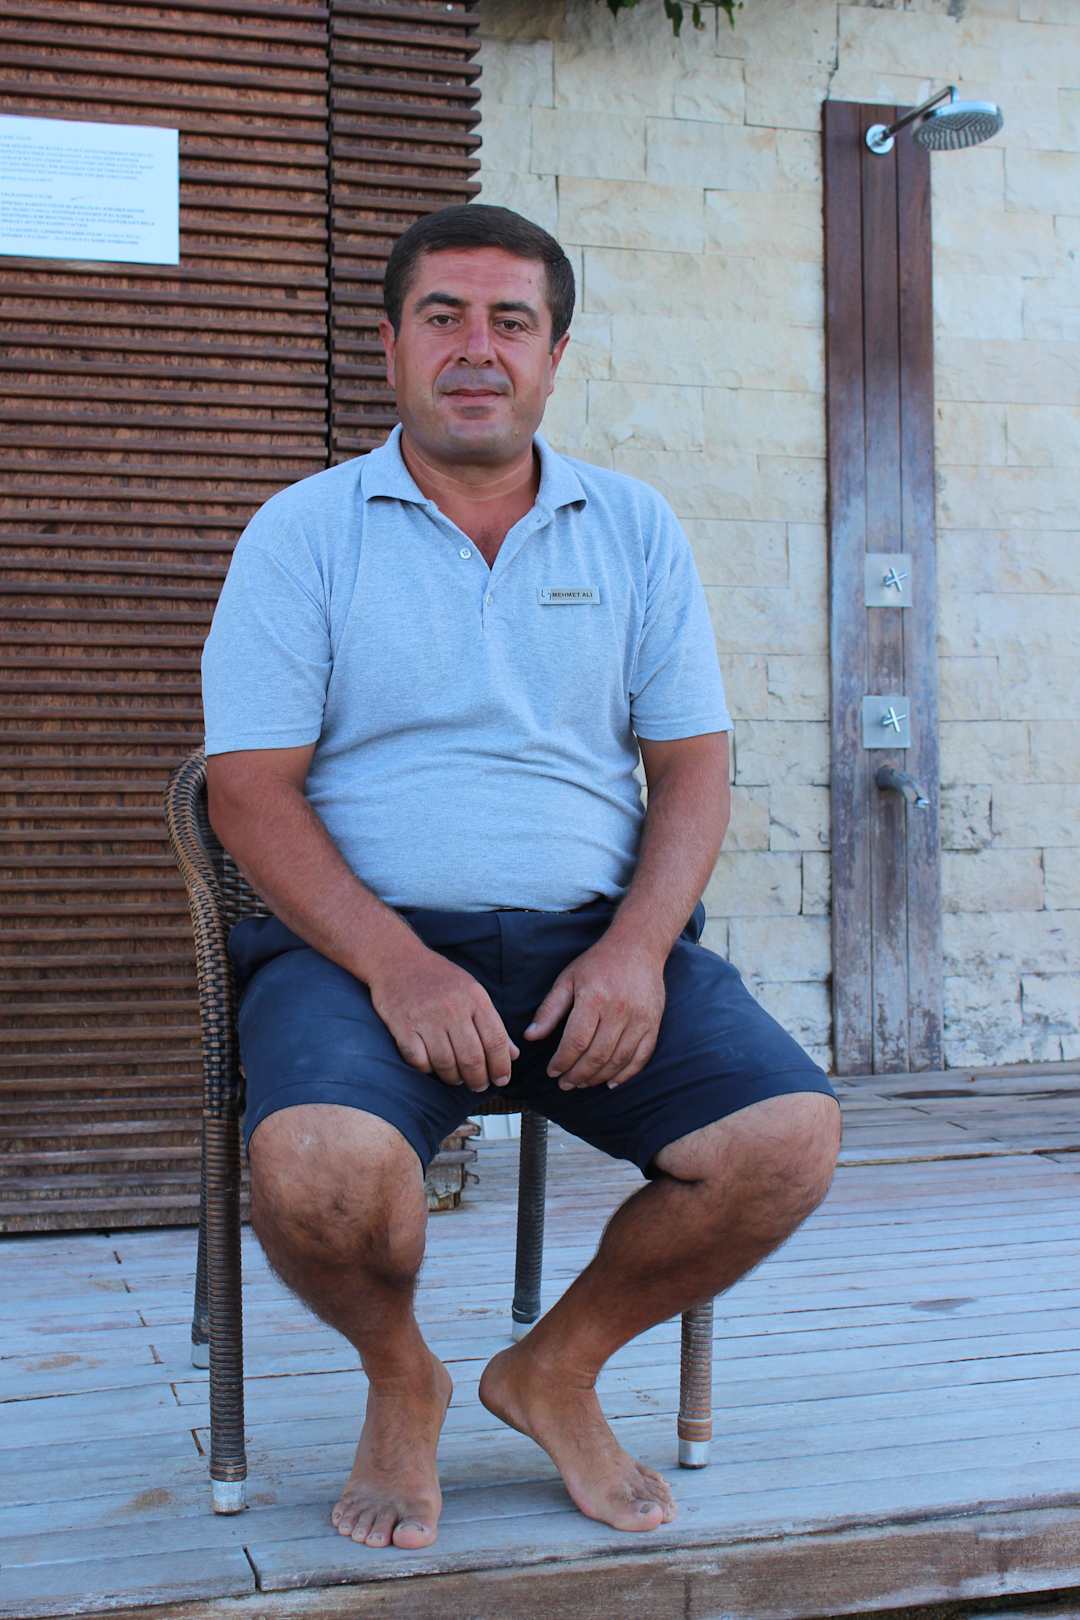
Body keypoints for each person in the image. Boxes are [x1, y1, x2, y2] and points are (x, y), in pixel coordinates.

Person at [200, 204, 841, 1552]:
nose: (476, 349)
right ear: (391, 345)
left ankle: (556, 1367)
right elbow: (248, 790)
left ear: (554, 355)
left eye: (511, 322)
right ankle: (403, 1378)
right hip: (362, 958)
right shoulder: (302, 533)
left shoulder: (633, 527)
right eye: (443, 317)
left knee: (787, 1139)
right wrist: (398, 964)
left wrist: (637, 950)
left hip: (590, 948)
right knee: (315, 1168)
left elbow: (694, 770)